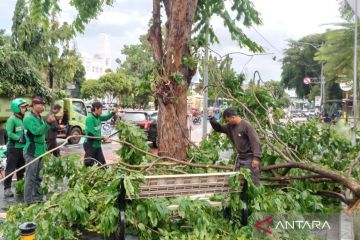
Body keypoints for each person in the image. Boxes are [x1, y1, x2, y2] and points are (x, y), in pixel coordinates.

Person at [209, 108, 261, 186]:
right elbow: (219, 128)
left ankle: (254, 197)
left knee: (252, 182)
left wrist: (256, 157)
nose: (227, 122)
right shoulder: (230, 127)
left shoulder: (246, 126)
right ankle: (242, 197)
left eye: (227, 120)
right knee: (239, 180)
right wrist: (212, 119)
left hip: (250, 158)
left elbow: (255, 141)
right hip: (240, 157)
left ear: (233, 117)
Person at [23, 97, 56, 204]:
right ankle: (28, 202)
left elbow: (43, 132)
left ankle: (38, 198)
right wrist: (47, 122)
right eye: (40, 104)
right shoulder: (28, 118)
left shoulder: (39, 118)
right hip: (32, 151)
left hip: (41, 151)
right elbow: (36, 132)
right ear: (34, 105)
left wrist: (48, 123)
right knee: (30, 178)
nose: (43, 107)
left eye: (43, 105)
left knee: (39, 177)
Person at [4, 98, 28, 197]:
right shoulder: (12, 120)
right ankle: (7, 189)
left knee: (21, 169)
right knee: (10, 169)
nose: (25, 109)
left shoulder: (25, 118)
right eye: (22, 107)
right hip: (13, 148)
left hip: (23, 148)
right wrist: (19, 138)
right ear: (16, 108)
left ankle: (19, 187)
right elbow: (9, 133)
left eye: (25, 107)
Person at [83, 101, 118, 167]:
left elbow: (106, 117)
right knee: (88, 165)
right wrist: (102, 137)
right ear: (96, 109)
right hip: (90, 145)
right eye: (101, 109)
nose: (102, 111)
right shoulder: (90, 118)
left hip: (97, 145)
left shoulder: (98, 117)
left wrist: (113, 113)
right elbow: (91, 134)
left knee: (102, 165)